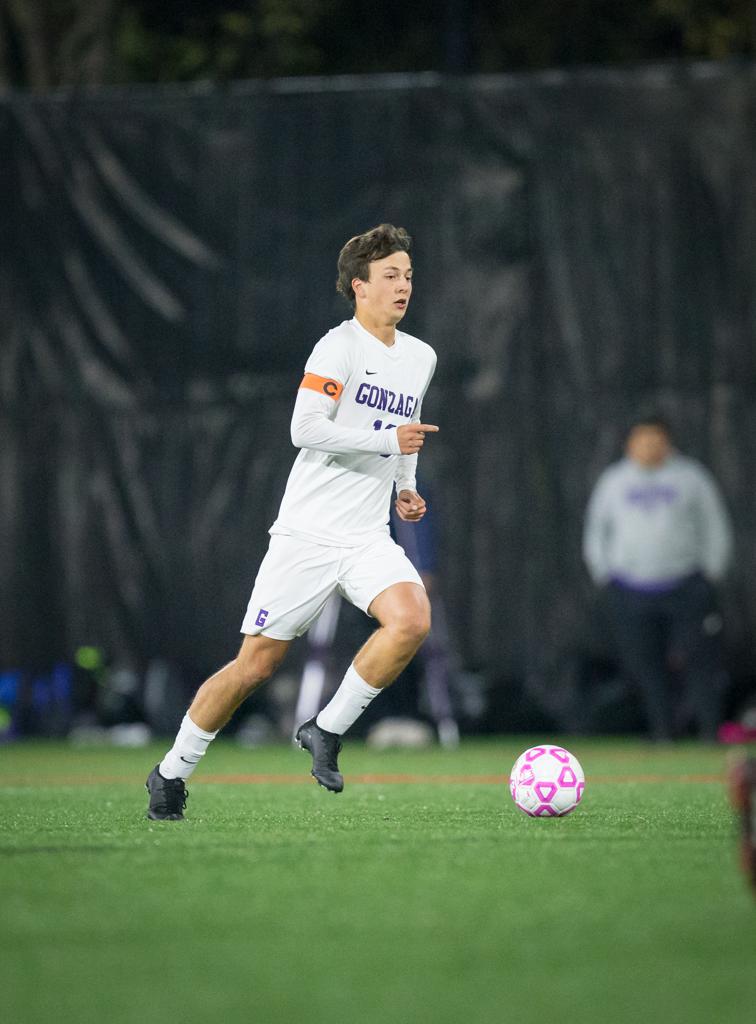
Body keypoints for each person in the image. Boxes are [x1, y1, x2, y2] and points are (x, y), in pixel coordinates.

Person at [146, 223, 438, 819]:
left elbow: (405, 435)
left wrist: (405, 489)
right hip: (306, 534)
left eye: (407, 275)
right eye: (390, 276)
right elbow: (303, 429)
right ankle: (170, 771)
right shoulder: (338, 347)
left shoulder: (420, 356)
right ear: (359, 287)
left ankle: (326, 730)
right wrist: (387, 442)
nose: (403, 286)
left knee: (410, 621)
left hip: (365, 536)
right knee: (255, 665)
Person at [583, 415, 734, 741]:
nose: (650, 446)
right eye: (642, 439)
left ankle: (709, 733)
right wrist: (605, 574)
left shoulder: (691, 478)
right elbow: (596, 532)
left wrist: (711, 573)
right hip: (631, 589)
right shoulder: (614, 481)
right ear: (630, 445)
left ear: (668, 442)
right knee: (646, 666)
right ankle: (663, 733)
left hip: (686, 585)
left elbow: (715, 526)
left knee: (700, 661)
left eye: (656, 439)